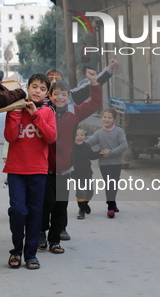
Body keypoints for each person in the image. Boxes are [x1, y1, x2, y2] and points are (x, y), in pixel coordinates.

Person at [40, 71, 101, 254]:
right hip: (44, 168)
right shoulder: (43, 112)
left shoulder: (74, 112)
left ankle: (55, 240)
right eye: (56, 94)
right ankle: (41, 232)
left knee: (60, 205)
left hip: (65, 169)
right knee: (45, 203)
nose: (60, 97)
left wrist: (94, 83)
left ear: (68, 96)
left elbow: (95, 104)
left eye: (63, 94)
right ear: (50, 96)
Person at [3, 73, 56, 270]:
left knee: (35, 213)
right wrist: (17, 112)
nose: (37, 91)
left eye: (42, 89)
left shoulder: (48, 113)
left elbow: (50, 138)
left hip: (38, 171)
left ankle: (31, 254)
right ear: (27, 87)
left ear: (47, 94)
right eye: (34, 87)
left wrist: (35, 115)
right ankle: (16, 250)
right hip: (16, 170)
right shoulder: (15, 110)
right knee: (18, 211)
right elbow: (10, 136)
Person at [85, 107, 128, 218]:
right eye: (104, 117)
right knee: (109, 184)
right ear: (101, 118)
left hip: (117, 162)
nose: (106, 120)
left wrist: (111, 152)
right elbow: (90, 142)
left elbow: (124, 145)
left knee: (114, 184)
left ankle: (113, 203)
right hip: (104, 163)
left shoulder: (119, 131)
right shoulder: (99, 133)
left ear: (114, 120)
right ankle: (110, 207)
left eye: (109, 118)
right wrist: (79, 143)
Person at [46, 59, 117, 106]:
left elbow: (93, 83)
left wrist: (109, 69)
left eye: (57, 79)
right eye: (50, 79)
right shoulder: (39, 100)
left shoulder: (72, 96)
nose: (54, 82)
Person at [72, 127, 100, 219]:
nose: (80, 137)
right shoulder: (71, 147)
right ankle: (81, 210)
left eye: (82, 135)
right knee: (81, 192)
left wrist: (100, 153)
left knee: (90, 192)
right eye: (77, 135)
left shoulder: (87, 146)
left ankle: (85, 204)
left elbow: (91, 156)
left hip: (87, 173)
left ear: (85, 136)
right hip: (76, 174)